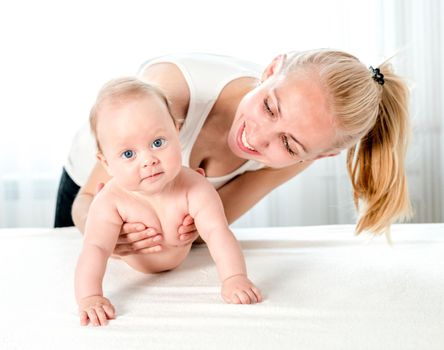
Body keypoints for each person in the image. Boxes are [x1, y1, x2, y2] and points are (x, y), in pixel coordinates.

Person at [56, 49, 411, 255]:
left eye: (289, 144)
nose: (258, 138)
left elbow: (200, 229)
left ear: (317, 157)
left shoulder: (297, 158)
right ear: (271, 69)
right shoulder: (173, 91)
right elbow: (87, 200)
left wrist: (167, 237)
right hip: (95, 184)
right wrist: (106, 234)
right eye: (270, 107)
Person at [75, 77, 262, 327]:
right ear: (106, 163)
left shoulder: (195, 186)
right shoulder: (110, 201)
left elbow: (218, 233)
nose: (149, 160)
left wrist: (234, 277)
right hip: (133, 267)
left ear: (175, 131)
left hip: (180, 265)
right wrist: (90, 296)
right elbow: (95, 249)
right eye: (128, 154)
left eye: (158, 142)